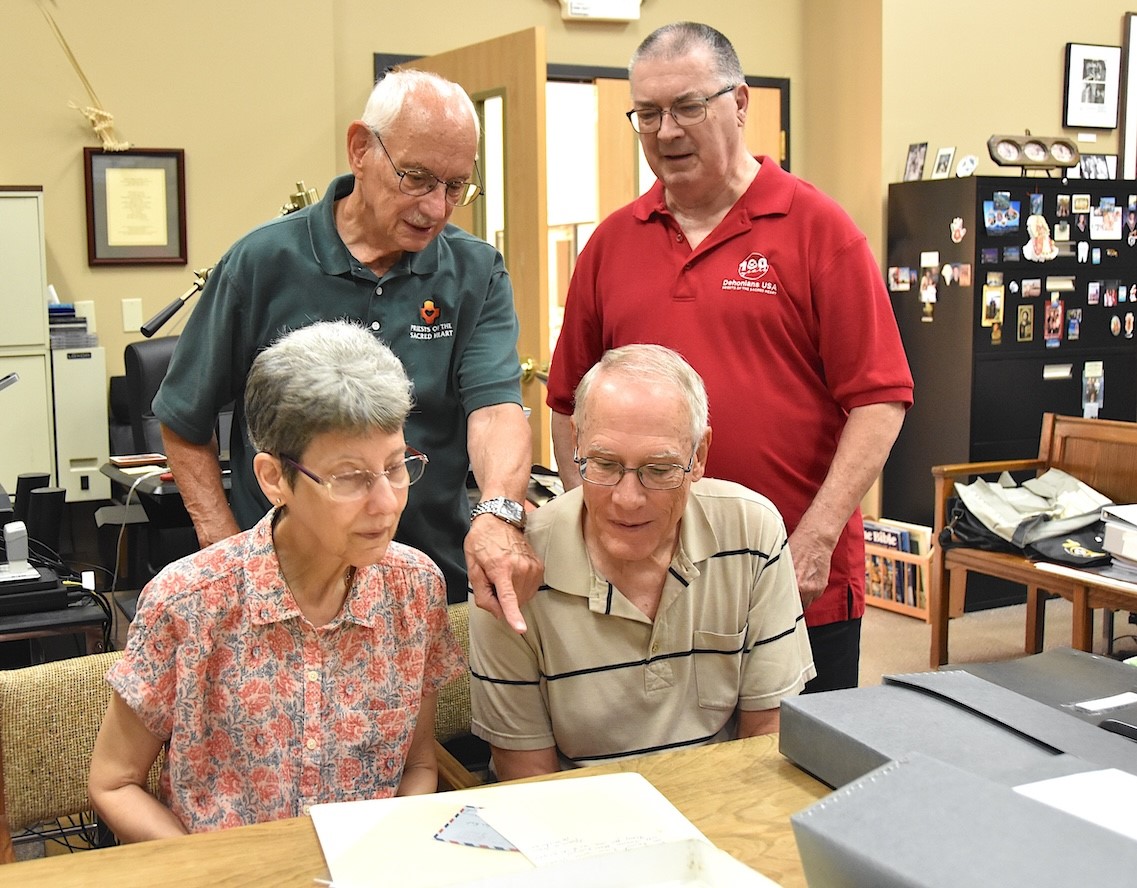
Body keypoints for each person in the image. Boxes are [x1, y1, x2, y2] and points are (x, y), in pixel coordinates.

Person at [545, 22, 913, 692]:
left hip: (792, 575)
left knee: (796, 776)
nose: (665, 131)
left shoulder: (818, 231)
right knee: (663, 775)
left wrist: (816, 537)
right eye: (647, 113)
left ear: (739, 103)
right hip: (645, 587)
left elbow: (879, 398)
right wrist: (591, 526)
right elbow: (567, 404)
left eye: (688, 107)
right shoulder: (609, 244)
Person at [152, 69, 539, 630]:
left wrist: (498, 511)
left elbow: (495, 408)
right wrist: (224, 551)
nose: (436, 208)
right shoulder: (263, 263)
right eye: (417, 178)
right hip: (286, 594)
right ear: (361, 149)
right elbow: (183, 418)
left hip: (431, 581)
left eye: (456, 186)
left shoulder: (475, 272)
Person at [88, 321, 466, 840]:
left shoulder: (416, 590)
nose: (386, 504)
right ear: (273, 479)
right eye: (350, 477)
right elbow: (114, 782)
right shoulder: (189, 602)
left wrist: (383, 854)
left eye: (396, 467)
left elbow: (418, 767)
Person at [470, 345, 814, 778]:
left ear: (700, 456)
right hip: (576, 824)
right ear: (576, 442)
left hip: (719, 810)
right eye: (605, 463)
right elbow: (528, 779)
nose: (628, 499)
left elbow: (766, 737)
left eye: (659, 469)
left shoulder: (753, 533)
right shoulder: (514, 569)